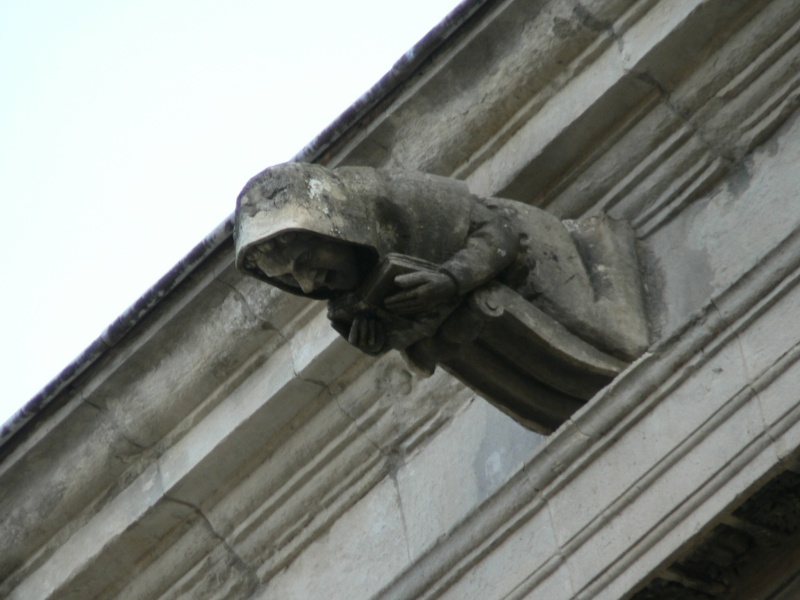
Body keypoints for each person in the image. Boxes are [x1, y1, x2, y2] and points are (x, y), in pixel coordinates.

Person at [235, 162, 648, 365]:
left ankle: (602, 246)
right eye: (289, 278)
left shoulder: (392, 197)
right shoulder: (345, 298)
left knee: (617, 337)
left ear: (336, 227)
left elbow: (497, 232)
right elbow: (418, 339)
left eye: (306, 260)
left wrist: (452, 278)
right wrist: (382, 338)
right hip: (490, 302)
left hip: (526, 251)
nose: (308, 285)